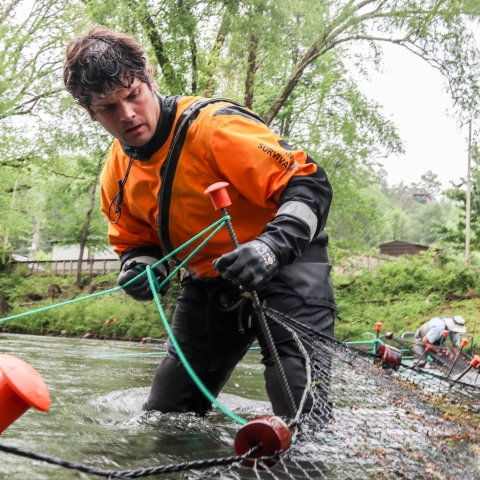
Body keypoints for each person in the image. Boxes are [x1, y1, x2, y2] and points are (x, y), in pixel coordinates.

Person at [63, 26, 336, 417]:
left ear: (149, 79)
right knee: (166, 415)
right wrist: (138, 267)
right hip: (209, 285)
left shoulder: (216, 127)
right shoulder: (115, 171)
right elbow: (134, 239)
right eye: (108, 107)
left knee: (301, 410)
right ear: (90, 112)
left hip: (287, 268)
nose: (127, 114)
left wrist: (270, 248)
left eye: (133, 95)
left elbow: (309, 184)